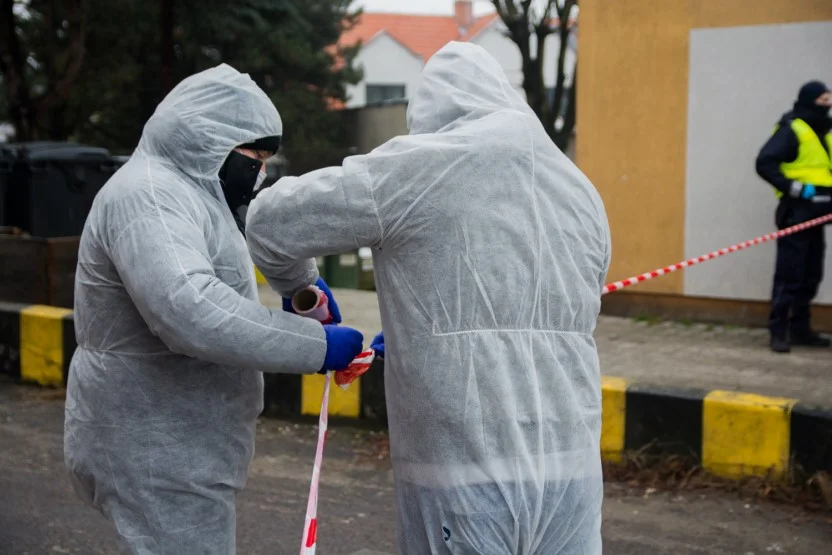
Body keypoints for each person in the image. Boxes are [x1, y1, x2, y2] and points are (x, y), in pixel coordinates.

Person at [247, 42, 611, 554]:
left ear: (430, 113)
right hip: (574, 471)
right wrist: (420, 334)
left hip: (465, 473)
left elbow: (270, 223)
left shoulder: (420, 166)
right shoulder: (581, 192)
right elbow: (562, 305)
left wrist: (301, 289)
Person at [64, 64, 364, 554]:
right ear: (207, 139)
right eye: (253, 155)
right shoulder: (150, 197)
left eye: (267, 157)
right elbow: (191, 310)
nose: (260, 169)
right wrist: (316, 346)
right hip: (154, 445)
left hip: (184, 444)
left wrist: (300, 285)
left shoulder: (197, 190)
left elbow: (253, 228)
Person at [756, 80, 832, 354]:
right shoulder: (793, 128)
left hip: (820, 214)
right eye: (822, 101)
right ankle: (779, 332)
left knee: (811, 274)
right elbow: (765, 162)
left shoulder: (826, 131)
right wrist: (794, 188)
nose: (827, 105)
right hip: (796, 213)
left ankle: (801, 330)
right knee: (790, 275)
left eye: (829, 100)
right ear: (809, 100)